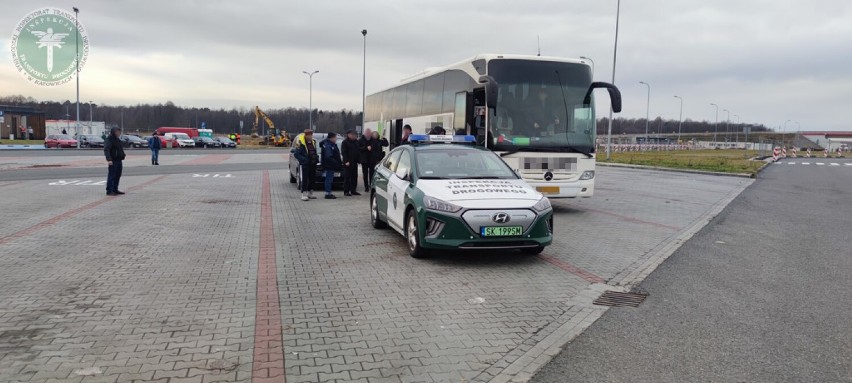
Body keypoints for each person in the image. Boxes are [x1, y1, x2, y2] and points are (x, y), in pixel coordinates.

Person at [291, 129, 319, 201]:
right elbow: (296, 154)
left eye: (311, 135)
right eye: (309, 135)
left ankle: (310, 193)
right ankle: (304, 194)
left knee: (312, 178)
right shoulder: (301, 142)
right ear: (306, 135)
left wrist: (316, 158)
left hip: (313, 163)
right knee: (305, 179)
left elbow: (314, 151)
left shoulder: (313, 142)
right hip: (305, 164)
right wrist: (304, 160)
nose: (310, 136)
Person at [103, 127, 126, 196]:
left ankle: (115, 189)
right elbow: (106, 149)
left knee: (117, 175)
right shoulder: (109, 139)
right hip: (113, 160)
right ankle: (109, 190)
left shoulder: (117, 140)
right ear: (113, 132)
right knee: (112, 175)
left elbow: (119, 149)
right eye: (117, 132)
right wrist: (109, 159)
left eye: (119, 132)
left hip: (119, 159)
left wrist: (123, 154)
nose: (119, 133)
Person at [320, 132, 343, 199]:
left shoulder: (330, 144)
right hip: (329, 165)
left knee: (329, 178)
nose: (336, 139)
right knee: (329, 179)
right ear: (332, 138)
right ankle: (328, 193)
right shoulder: (328, 145)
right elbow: (328, 157)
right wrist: (336, 162)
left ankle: (328, 192)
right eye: (335, 137)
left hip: (330, 165)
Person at [341, 129, 361, 196]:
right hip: (348, 162)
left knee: (354, 177)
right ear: (348, 135)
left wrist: (359, 160)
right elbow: (344, 152)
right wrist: (346, 161)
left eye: (354, 134)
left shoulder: (356, 142)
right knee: (347, 177)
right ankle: (346, 191)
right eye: (352, 134)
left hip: (354, 162)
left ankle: (353, 190)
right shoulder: (345, 142)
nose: (353, 136)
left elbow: (358, 151)